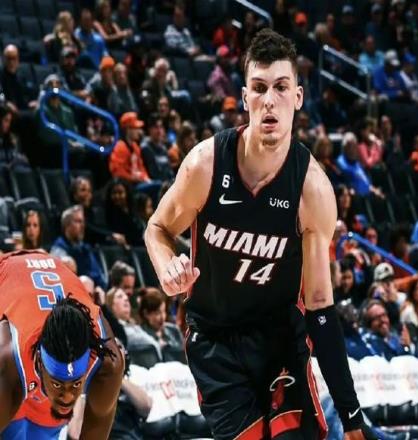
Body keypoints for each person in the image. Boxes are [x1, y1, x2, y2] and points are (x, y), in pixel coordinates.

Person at [145, 29, 374, 439]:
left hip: (281, 340)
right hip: (214, 340)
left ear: (298, 98)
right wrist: (166, 267)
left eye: (281, 87)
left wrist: (351, 414)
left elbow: (320, 308)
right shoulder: (205, 165)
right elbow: (157, 228)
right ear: (245, 97)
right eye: (259, 87)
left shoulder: (312, 191)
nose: (270, 100)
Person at [0, 249, 123, 438]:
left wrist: (57, 385)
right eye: (58, 384)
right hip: (7, 275)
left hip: (52, 271)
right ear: (39, 361)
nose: (68, 397)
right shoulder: (8, 358)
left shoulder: (108, 364)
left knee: (46, 421)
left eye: (76, 383)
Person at [50, 205, 106, 288]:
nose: (82, 226)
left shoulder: (85, 249)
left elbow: (99, 277)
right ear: (67, 225)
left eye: (82, 222)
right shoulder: (58, 249)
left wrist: (99, 288)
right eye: (78, 221)